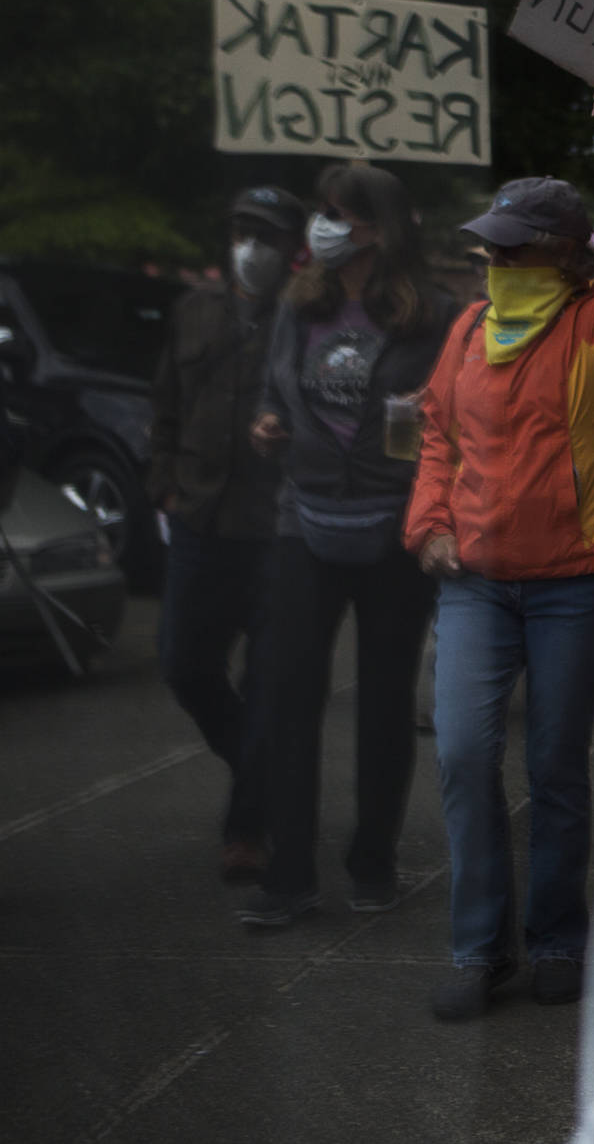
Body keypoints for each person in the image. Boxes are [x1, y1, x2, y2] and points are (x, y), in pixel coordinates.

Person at [403, 78, 594, 1021]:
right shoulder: (469, 331)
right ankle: (482, 951)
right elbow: (439, 433)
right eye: (491, 244)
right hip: (477, 586)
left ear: (562, 255)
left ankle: (557, 938)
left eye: (513, 245)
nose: (493, 256)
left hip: (577, 588)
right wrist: (429, 525)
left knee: (556, 765)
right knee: (465, 757)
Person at [237, 165, 457, 929]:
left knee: (384, 704)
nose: (320, 226)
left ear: (376, 228)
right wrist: (269, 422)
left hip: (396, 530)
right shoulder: (301, 307)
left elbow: (455, 417)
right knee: (287, 696)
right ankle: (290, 876)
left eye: (335, 214)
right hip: (305, 524)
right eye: (321, 213)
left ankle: (374, 862)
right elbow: (275, 392)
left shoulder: (434, 317)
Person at [150, 185, 306, 883]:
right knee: (185, 664)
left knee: (269, 683)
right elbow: (165, 406)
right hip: (199, 521)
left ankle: (247, 829)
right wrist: (164, 482)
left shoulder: (308, 320)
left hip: (276, 531)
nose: (250, 246)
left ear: (291, 247)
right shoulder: (194, 309)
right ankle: (263, 772)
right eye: (241, 231)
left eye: (265, 235)